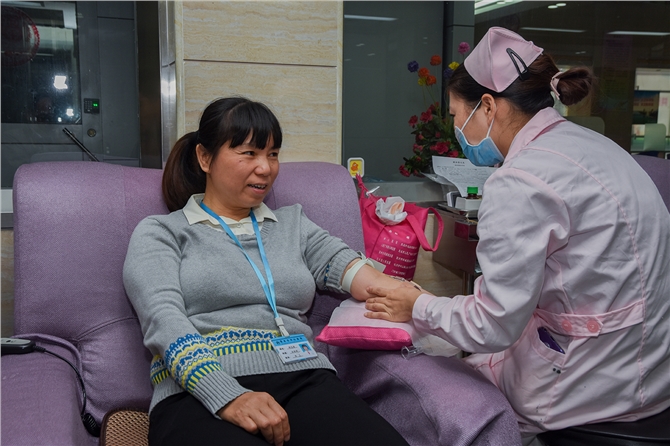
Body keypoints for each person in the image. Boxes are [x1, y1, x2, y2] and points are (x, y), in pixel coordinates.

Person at [364, 27, 670, 445]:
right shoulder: (598, 146)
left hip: (590, 387)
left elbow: (492, 325)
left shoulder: (521, 180)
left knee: (428, 398)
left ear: (488, 106)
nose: (457, 128)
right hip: (650, 371)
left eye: (456, 115)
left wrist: (416, 304)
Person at [123, 97, 411, 446]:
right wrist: (227, 395)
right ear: (205, 158)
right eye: (249, 153)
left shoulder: (293, 224)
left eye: (272, 154)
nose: (265, 168)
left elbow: (358, 273)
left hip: (303, 378)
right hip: (195, 391)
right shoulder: (161, 232)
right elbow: (163, 320)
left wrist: (425, 303)